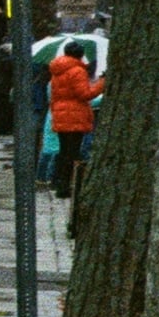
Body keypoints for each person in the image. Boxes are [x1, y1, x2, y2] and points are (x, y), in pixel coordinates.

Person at [49, 38, 105, 200]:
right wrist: (102, 84)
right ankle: (65, 187)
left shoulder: (57, 70)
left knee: (64, 150)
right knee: (72, 153)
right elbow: (84, 94)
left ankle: (57, 181)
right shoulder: (77, 71)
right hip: (75, 115)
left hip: (61, 114)